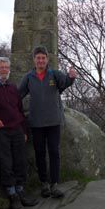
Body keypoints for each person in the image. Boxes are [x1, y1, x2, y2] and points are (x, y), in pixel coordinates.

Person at [19, 46, 77, 199]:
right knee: (39, 153)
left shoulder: (54, 74)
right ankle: (44, 183)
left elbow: (65, 83)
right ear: (34, 60)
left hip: (53, 121)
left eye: (43, 58)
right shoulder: (28, 77)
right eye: (38, 58)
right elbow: (18, 95)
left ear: (47, 59)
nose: (40, 60)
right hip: (36, 122)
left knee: (54, 152)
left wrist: (71, 77)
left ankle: (55, 184)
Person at [0, 57, 38, 209]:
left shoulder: (13, 87)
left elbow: (19, 110)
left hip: (16, 129)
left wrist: (23, 130)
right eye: (0, 67)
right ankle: (12, 196)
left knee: (20, 162)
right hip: (0, 131)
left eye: (6, 67)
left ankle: (21, 191)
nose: (3, 70)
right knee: (6, 163)